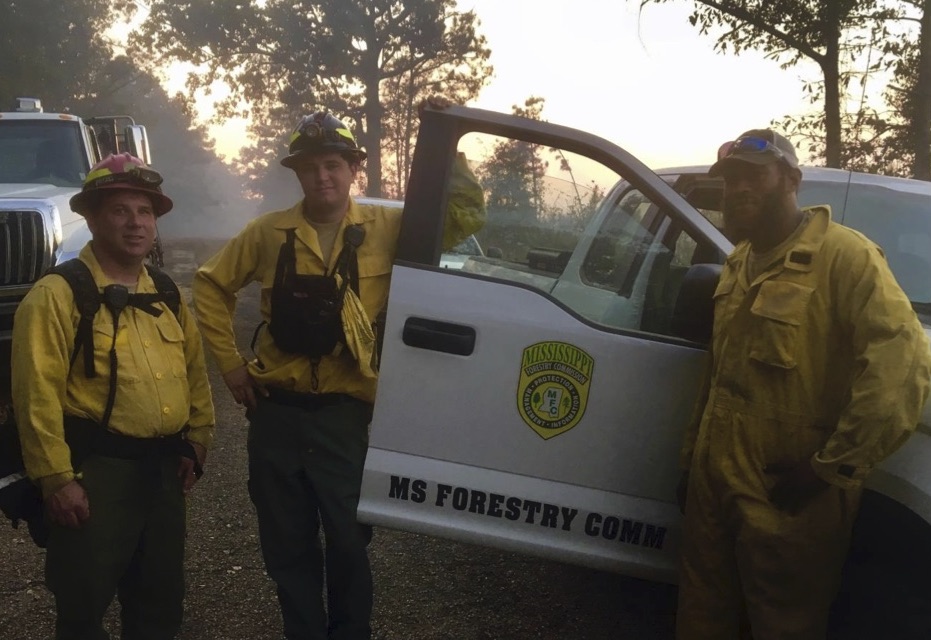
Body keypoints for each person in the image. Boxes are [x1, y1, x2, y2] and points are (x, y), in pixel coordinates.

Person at [192, 103, 484, 639]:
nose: (322, 177)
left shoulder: (391, 226)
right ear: (297, 174)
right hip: (276, 417)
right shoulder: (267, 232)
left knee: (350, 543)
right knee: (287, 545)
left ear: (354, 169)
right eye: (310, 167)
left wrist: (450, 141)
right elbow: (210, 286)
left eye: (333, 165)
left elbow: (464, 217)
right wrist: (231, 364)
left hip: (345, 418)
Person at [675, 129, 931, 639]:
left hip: (789, 496)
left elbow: (903, 363)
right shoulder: (737, 264)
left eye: (754, 176)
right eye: (731, 181)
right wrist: (691, 463)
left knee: (784, 624)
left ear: (791, 180)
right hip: (714, 487)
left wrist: (831, 468)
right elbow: (717, 374)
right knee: (702, 616)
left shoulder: (845, 258)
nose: (739, 189)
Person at [11, 152, 215, 640]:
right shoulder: (56, 295)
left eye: (145, 212)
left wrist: (198, 438)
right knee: (83, 609)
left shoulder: (165, 293)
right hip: (96, 475)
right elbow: (34, 395)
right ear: (92, 217)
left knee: (159, 608)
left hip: (163, 475)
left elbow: (194, 372)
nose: (136, 223)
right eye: (120, 211)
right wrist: (57, 480)